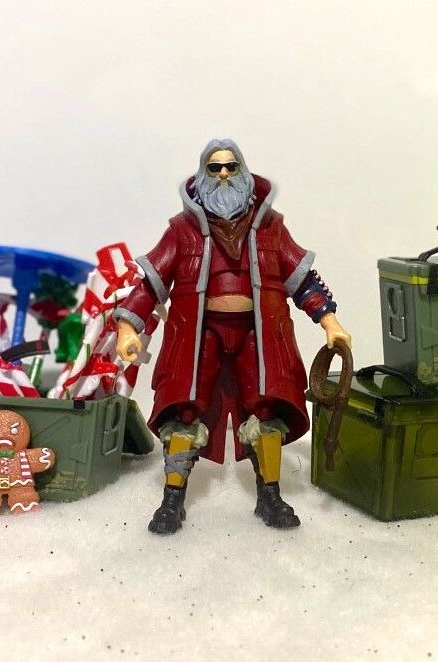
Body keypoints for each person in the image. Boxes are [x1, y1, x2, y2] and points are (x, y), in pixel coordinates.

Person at [113, 138, 351, 534]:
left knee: (267, 408)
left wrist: (329, 321)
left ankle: (270, 494)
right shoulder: (182, 230)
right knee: (183, 408)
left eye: (231, 166)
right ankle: (172, 498)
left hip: (259, 332)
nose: (223, 174)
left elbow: (302, 280)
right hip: (198, 333)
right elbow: (151, 283)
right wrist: (127, 327)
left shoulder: (271, 227)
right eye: (215, 167)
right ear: (203, 174)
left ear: (243, 170)